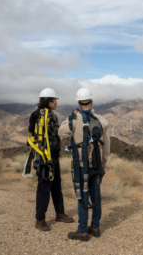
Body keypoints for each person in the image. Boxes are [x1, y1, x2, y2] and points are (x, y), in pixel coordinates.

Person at [58, 87, 110, 241]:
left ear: (79, 103)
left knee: (82, 195)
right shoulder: (102, 121)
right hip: (97, 164)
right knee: (95, 195)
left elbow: (61, 132)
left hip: (81, 164)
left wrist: (72, 116)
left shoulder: (74, 119)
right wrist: (104, 161)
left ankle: (82, 230)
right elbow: (107, 143)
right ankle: (95, 227)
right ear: (92, 102)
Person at [28, 88, 74, 231]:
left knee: (56, 185)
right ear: (49, 101)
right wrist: (70, 120)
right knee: (44, 187)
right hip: (44, 157)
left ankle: (59, 213)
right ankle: (40, 219)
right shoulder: (42, 115)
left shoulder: (45, 114)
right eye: (54, 100)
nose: (56, 103)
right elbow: (57, 132)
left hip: (53, 155)